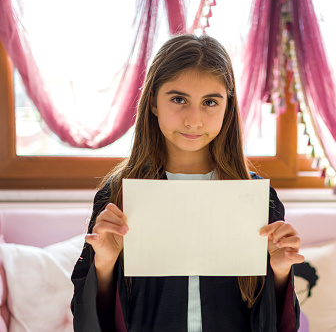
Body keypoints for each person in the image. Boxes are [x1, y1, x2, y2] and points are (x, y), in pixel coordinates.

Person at [71, 33, 304, 332]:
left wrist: (281, 271)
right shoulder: (117, 195)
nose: (193, 120)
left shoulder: (257, 200)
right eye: (178, 99)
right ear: (153, 102)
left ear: (227, 108)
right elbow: (90, 319)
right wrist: (104, 264)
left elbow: (277, 323)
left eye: (210, 102)